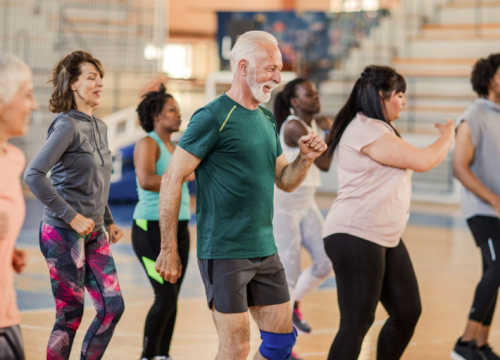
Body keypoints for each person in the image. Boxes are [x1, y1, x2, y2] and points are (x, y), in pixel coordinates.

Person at [154, 31, 327, 360]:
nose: (278, 78)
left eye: (279, 69)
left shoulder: (265, 118)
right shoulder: (212, 117)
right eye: (271, 69)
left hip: (264, 248)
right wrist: (169, 249)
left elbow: (285, 181)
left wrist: (305, 159)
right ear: (243, 66)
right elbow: (171, 179)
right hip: (224, 251)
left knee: (280, 343)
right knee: (236, 349)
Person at [322, 65, 455, 360]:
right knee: (357, 321)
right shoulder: (366, 127)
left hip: (384, 236)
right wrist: (449, 135)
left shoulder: (377, 128)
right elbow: (423, 160)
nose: (404, 101)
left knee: (407, 311)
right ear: (382, 96)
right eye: (400, 94)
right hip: (355, 233)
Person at [24, 50, 125, 360]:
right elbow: (34, 175)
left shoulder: (101, 126)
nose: (99, 83)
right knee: (70, 315)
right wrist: (72, 216)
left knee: (113, 307)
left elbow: (99, 181)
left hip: (93, 232)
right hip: (62, 232)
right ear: (73, 84)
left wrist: (107, 219)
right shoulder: (66, 125)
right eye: (91, 77)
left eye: (100, 78)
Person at [132, 84, 193, 360]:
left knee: (173, 297)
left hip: (180, 228)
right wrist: (179, 178)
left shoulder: (178, 147)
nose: (178, 115)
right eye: (172, 110)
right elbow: (146, 180)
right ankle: (147, 355)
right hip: (150, 229)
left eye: (178, 110)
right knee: (165, 296)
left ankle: (162, 355)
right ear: (156, 115)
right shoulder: (148, 143)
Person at [272, 78, 333, 338]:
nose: (316, 97)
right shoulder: (295, 126)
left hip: (306, 202)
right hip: (285, 204)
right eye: (309, 94)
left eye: (316, 92)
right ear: (295, 102)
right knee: (290, 273)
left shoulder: (309, 124)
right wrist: (331, 131)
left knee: (325, 261)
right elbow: (325, 163)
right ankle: (284, 346)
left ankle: (295, 304)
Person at [450, 54, 500, 360]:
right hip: (482, 210)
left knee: (493, 273)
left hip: (497, 209)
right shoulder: (474, 114)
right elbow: (459, 167)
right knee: (498, 268)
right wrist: (494, 199)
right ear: (489, 77)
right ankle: (464, 344)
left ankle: (481, 345)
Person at [0, 53, 37, 360]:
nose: (34, 104)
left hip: (7, 315)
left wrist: (7, 250)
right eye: (27, 94)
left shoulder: (12, 159)